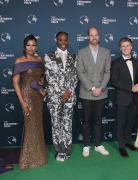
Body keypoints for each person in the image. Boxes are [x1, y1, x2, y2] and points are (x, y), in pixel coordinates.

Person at [12, 34, 47, 169]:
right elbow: (15, 83)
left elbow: (41, 78)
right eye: (28, 45)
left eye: (33, 45)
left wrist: (41, 87)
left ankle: (39, 156)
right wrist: (22, 102)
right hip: (27, 95)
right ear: (24, 46)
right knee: (30, 126)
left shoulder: (39, 60)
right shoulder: (19, 61)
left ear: (36, 46)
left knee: (37, 125)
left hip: (38, 96)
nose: (31, 47)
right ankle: (27, 159)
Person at [77, 27, 111, 157]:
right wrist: (92, 88)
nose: (94, 37)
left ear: (99, 36)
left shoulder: (106, 52)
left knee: (98, 121)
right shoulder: (81, 52)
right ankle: (86, 145)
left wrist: (101, 88)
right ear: (88, 37)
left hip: (101, 92)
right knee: (86, 121)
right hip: (86, 92)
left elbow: (107, 72)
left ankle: (97, 144)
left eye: (96, 35)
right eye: (91, 35)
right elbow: (80, 72)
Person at [44, 31, 78, 161]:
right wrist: (61, 93)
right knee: (56, 124)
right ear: (56, 41)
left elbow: (75, 75)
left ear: (68, 41)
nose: (63, 43)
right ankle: (59, 151)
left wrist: (69, 91)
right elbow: (49, 77)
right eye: (60, 40)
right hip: (54, 97)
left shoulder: (74, 57)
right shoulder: (49, 56)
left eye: (65, 40)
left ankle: (67, 150)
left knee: (67, 124)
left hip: (69, 97)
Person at [111, 37, 138, 158]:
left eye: (128, 45)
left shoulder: (137, 62)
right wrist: (130, 88)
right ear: (120, 48)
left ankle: (128, 142)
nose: (126, 48)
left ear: (132, 46)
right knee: (121, 123)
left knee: (130, 122)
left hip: (135, 98)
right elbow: (114, 81)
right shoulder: (115, 63)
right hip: (123, 98)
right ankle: (122, 146)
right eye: (123, 46)